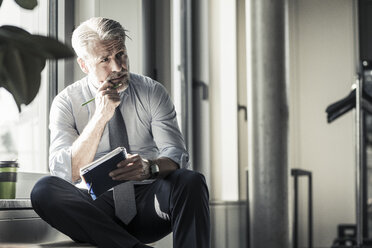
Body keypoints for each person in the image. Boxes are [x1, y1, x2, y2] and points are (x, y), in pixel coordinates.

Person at [30, 17, 210, 248]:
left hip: (149, 203)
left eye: (120, 54)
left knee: (191, 181)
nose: (118, 67)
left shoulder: (152, 91)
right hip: (96, 212)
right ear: (84, 65)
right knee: (44, 190)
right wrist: (100, 116)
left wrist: (150, 167)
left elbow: (176, 156)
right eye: (104, 59)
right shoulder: (66, 102)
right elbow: (67, 171)